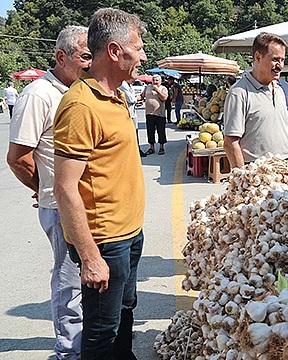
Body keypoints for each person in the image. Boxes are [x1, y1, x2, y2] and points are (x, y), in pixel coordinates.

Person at [52, 8, 147, 359]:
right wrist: (90, 256)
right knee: (100, 335)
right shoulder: (80, 106)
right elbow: (65, 187)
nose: (143, 56)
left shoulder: (117, 95)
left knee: (123, 315)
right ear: (114, 50)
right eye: (138, 48)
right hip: (104, 242)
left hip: (128, 234)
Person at [7, 25, 90, 360]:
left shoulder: (82, 90)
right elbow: (18, 158)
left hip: (87, 205)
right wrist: (42, 187)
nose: (91, 62)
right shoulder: (39, 96)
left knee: (87, 278)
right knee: (69, 283)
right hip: (61, 206)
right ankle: (69, 352)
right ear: (61, 56)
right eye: (85, 55)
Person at [223, 32, 288, 168]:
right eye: (275, 59)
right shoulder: (239, 93)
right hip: (258, 173)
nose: (280, 66)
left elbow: (281, 129)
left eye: (282, 60)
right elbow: (230, 142)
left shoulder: (280, 90)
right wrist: (243, 178)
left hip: (285, 169)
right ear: (258, 57)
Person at [119, 78, 148, 157]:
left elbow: (132, 99)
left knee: (135, 132)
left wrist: (136, 102)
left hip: (133, 112)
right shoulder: (123, 85)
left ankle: (137, 149)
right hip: (127, 114)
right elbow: (130, 98)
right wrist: (136, 98)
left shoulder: (130, 85)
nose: (135, 80)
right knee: (130, 133)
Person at [142, 74, 168, 155]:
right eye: (154, 80)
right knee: (150, 131)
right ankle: (151, 147)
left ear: (160, 81)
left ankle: (161, 147)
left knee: (161, 131)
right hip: (149, 113)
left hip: (160, 114)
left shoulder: (163, 88)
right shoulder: (147, 87)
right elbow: (142, 96)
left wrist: (157, 90)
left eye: (157, 80)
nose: (155, 82)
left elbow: (164, 98)